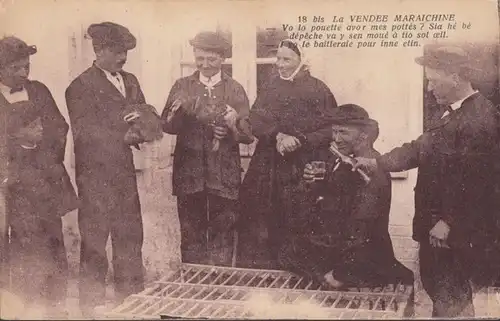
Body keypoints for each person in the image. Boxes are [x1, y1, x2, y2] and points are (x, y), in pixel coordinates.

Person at [353, 46, 500, 317]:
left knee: (450, 294)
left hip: (452, 231)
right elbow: (418, 148)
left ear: (455, 76)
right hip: (438, 227)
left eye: (433, 80)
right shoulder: (452, 113)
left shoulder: (480, 118)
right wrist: (378, 163)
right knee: (442, 291)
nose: (429, 88)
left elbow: (481, 181)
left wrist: (449, 222)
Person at [278, 104, 414, 291]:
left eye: (343, 133)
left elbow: (362, 228)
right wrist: (312, 183)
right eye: (334, 132)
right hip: (337, 255)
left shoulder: (370, 169)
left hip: (357, 264)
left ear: (363, 136)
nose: (336, 139)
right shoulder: (344, 160)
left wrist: (341, 273)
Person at [65, 22, 151, 316]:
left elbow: (145, 112)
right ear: (99, 50)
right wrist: (122, 136)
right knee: (95, 241)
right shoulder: (78, 87)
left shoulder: (130, 80)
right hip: (95, 177)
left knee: (129, 236)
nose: (122, 58)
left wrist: (143, 128)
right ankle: (91, 307)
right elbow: (85, 133)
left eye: (125, 52)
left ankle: (131, 301)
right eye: (116, 52)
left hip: (124, 174)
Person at [237, 39, 338, 269]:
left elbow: (331, 129)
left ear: (301, 60)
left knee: (298, 220)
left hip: (302, 166)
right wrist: (277, 136)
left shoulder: (318, 89)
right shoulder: (270, 86)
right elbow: (255, 119)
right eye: (278, 59)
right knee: (262, 220)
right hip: (267, 166)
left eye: (287, 59)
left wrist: (300, 140)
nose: (280, 65)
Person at [0, 36, 78, 318]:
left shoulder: (39, 91)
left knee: (53, 242)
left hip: (46, 185)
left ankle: (56, 308)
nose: (23, 73)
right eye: (16, 69)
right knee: (24, 249)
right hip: (14, 191)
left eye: (26, 67)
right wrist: (20, 141)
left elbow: (59, 127)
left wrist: (39, 142)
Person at [161, 31, 254, 266]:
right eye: (200, 58)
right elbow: (167, 126)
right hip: (190, 175)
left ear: (222, 59)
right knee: (191, 235)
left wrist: (232, 126)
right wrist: (179, 112)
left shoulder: (234, 89)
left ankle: (220, 289)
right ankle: (194, 288)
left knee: (223, 234)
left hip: (224, 175)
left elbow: (248, 135)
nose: (205, 65)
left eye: (211, 60)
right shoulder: (182, 86)